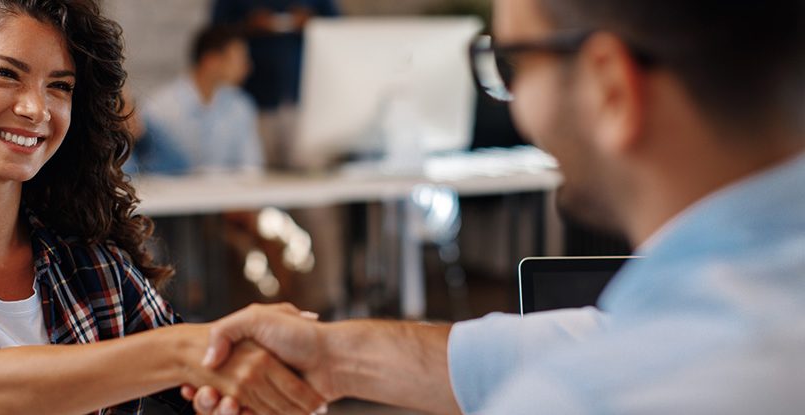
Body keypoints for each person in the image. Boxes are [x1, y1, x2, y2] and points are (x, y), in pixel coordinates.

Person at [185, 0, 805, 413]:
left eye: (511, 64)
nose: (513, 103)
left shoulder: (583, 398)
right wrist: (333, 357)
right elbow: (602, 337)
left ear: (610, 88)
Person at [0, 1, 327, 414]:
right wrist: (191, 353)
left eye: (60, 87)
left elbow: (202, 390)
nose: (37, 109)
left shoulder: (92, 264)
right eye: (6, 74)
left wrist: (259, 380)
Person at [210, 0, 339, 168]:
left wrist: (312, 21)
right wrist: (247, 24)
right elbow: (215, 32)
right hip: (256, 96)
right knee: (257, 169)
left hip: (301, 94)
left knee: (307, 171)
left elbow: (337, 26)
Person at [139, 25, 263, 175]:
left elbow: (251, 169)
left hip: (229, 196)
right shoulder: (159, 108)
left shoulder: (241, 106)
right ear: (210, 61)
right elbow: (148, 170)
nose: (247, 67)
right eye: (239, 59)